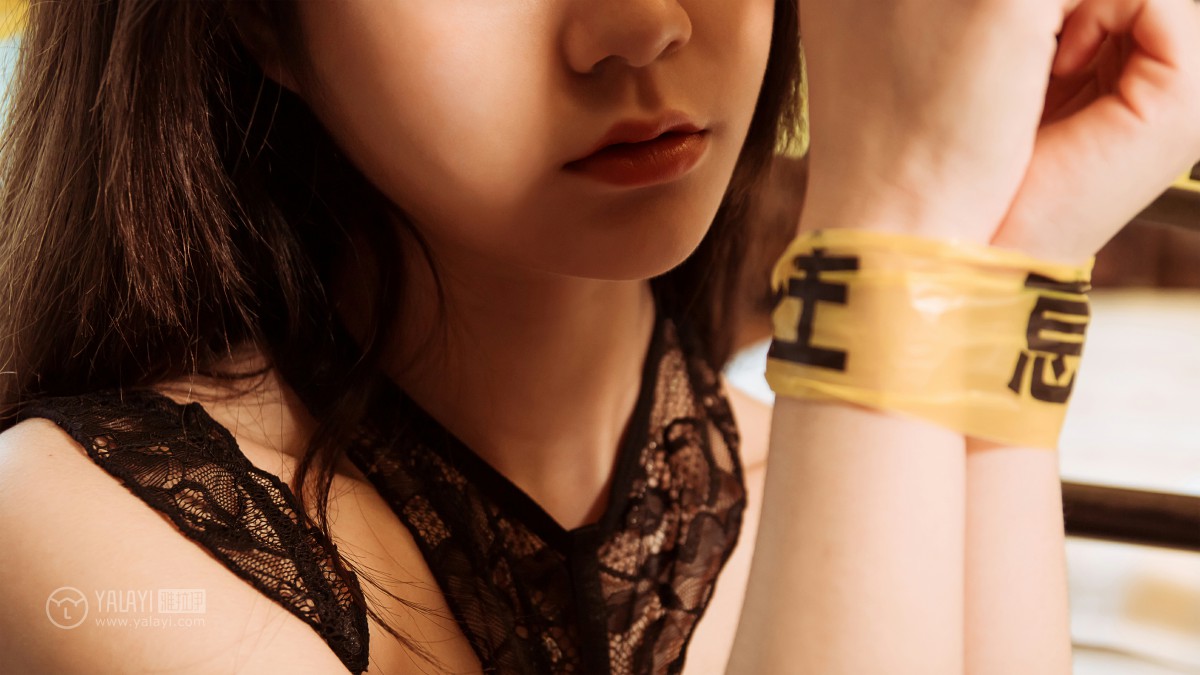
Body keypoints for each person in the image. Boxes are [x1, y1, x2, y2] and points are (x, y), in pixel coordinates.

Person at [0, 0, 1196, 673]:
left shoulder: (853, 464)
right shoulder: (72, 543)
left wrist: (1013, 246)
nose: (637, 25)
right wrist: (891, 217)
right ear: (258, 22)